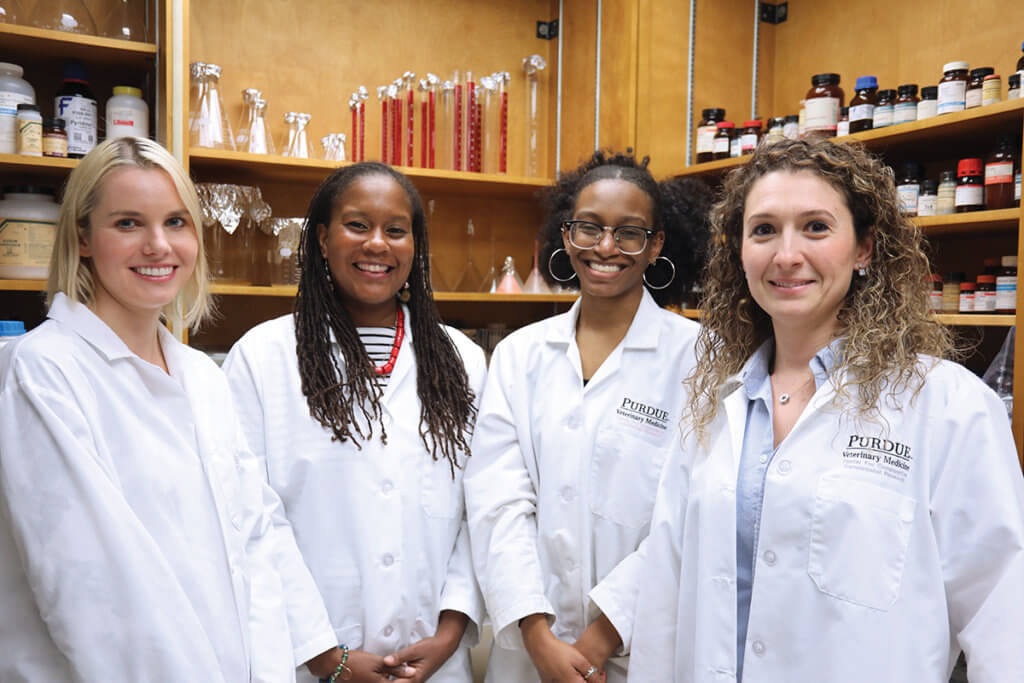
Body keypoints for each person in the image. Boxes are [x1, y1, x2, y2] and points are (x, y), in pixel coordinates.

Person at [625, 138, 1024, 682]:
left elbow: (1004, 618)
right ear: (738, 251)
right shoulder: (713, 403)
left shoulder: (948, 407)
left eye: (816, 226)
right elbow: (664, 601)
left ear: (864, 249)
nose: (786, 255)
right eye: (763, 229)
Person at [0, 136, 339, 681]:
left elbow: (255, 539)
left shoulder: (203, 376)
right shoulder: (45, 370)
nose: (159, 245)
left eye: (176, 222)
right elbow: (95, 591)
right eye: (129, 223)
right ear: (83, 237)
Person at [222, 161, 486, 683]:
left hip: (433, 662)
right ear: (322, 239)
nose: (377, 245)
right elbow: (249, 519)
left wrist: (451, 630)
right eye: (357, 225)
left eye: (396, 230)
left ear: (416, 245)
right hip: (306, 660)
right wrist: (325, 655)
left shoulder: (463, 360)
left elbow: (478, 512)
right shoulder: (263, 357)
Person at [463, 150, 711, 682]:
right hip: (531, 655)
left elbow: (689, 514)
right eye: (589, 228)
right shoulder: (519, 355)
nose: (605, 247)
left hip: (637, 650)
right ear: (565, 233)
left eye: (629, 232)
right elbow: (497, 502)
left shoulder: (698, 357)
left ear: (656, 244)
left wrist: (601, 636)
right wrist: (537, 634)